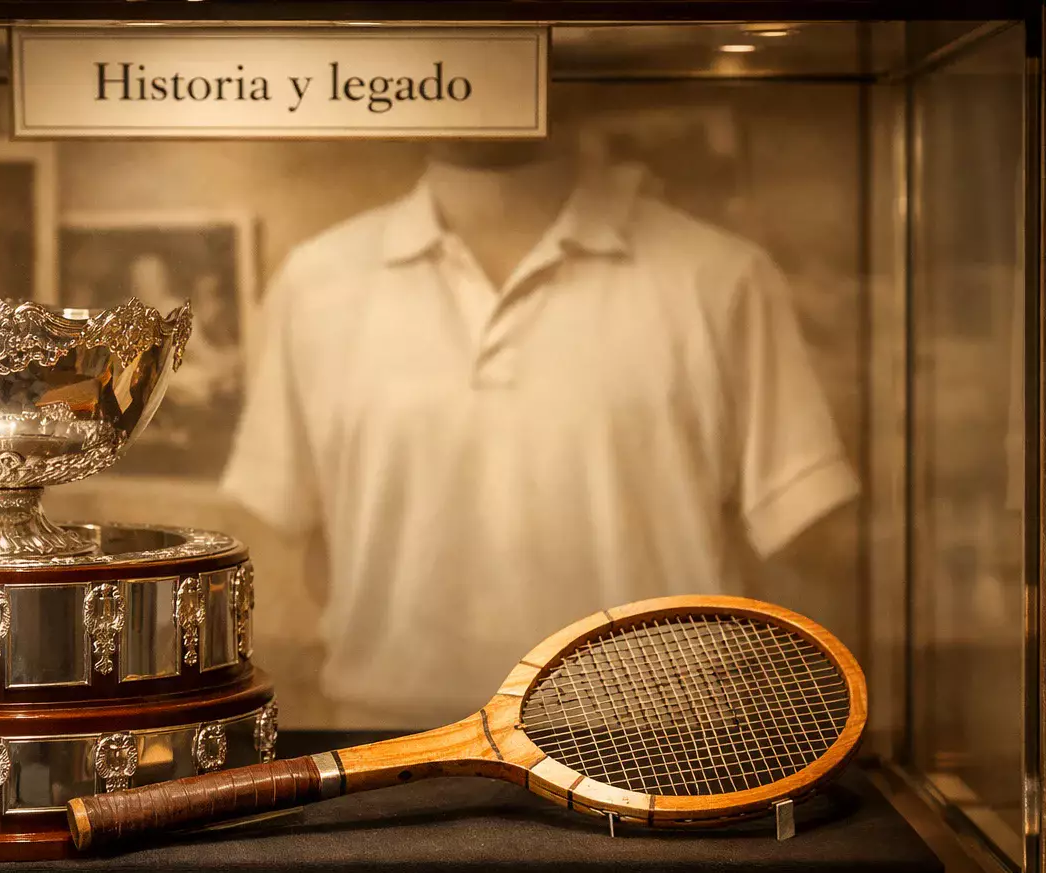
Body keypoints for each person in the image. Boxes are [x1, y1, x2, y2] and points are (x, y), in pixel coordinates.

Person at [221, 133, 859, 729]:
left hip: (657, 747)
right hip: (393, 743)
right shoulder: (316, 282)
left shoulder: (722, 277)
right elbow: (284, 529)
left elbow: (807, 535)